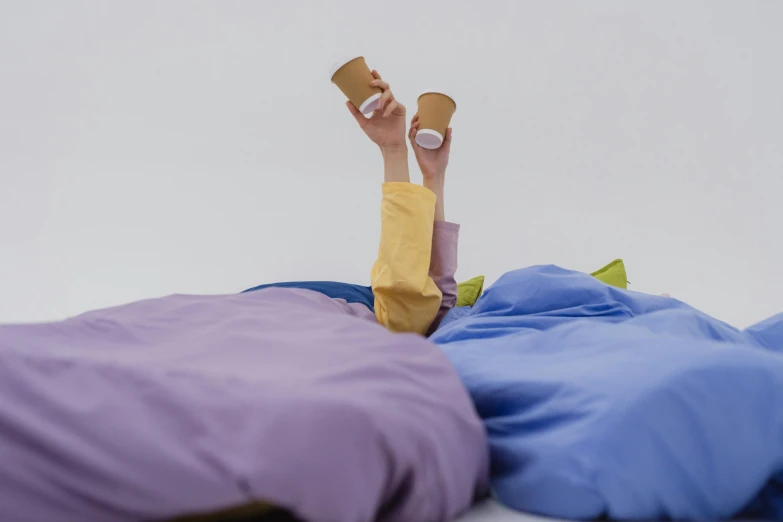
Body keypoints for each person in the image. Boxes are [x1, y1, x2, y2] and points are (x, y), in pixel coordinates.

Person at [244, 71, 459, 336]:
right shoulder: (405, 319)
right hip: (266, 310)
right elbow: (424, 299)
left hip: (260, 310)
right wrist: (427, 171)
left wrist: (400, 154)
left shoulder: (399, 320)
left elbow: (418, 298)